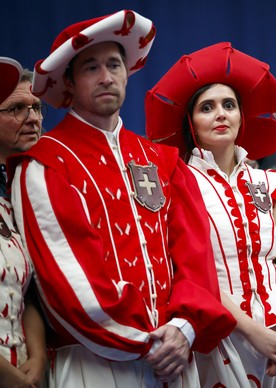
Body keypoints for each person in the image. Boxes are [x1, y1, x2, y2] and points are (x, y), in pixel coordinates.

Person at [9, 10, 235, 387]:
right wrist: (150, 343)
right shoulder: (45, 164)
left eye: (114, 64)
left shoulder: (161, 160)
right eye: (90, 68)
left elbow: (196, 254)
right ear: (69, 82)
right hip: (94, 361)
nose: (105, 76)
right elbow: (67, 282)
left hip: (176, 356)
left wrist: (183, 329)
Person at [145, 41, 276, 387]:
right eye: (207, 107)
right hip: (221, 339)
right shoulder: (177, 181)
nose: (221, 113)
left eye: (229, 105)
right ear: (190, 123)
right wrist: (255, 333)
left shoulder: (270, 181)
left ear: (242, 116)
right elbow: (193, 273)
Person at [0, 58, 46, 387]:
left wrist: (39, 356)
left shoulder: (37, 188)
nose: (32, 118)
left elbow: (28, 292)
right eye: (17, 109)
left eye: (37, 107)